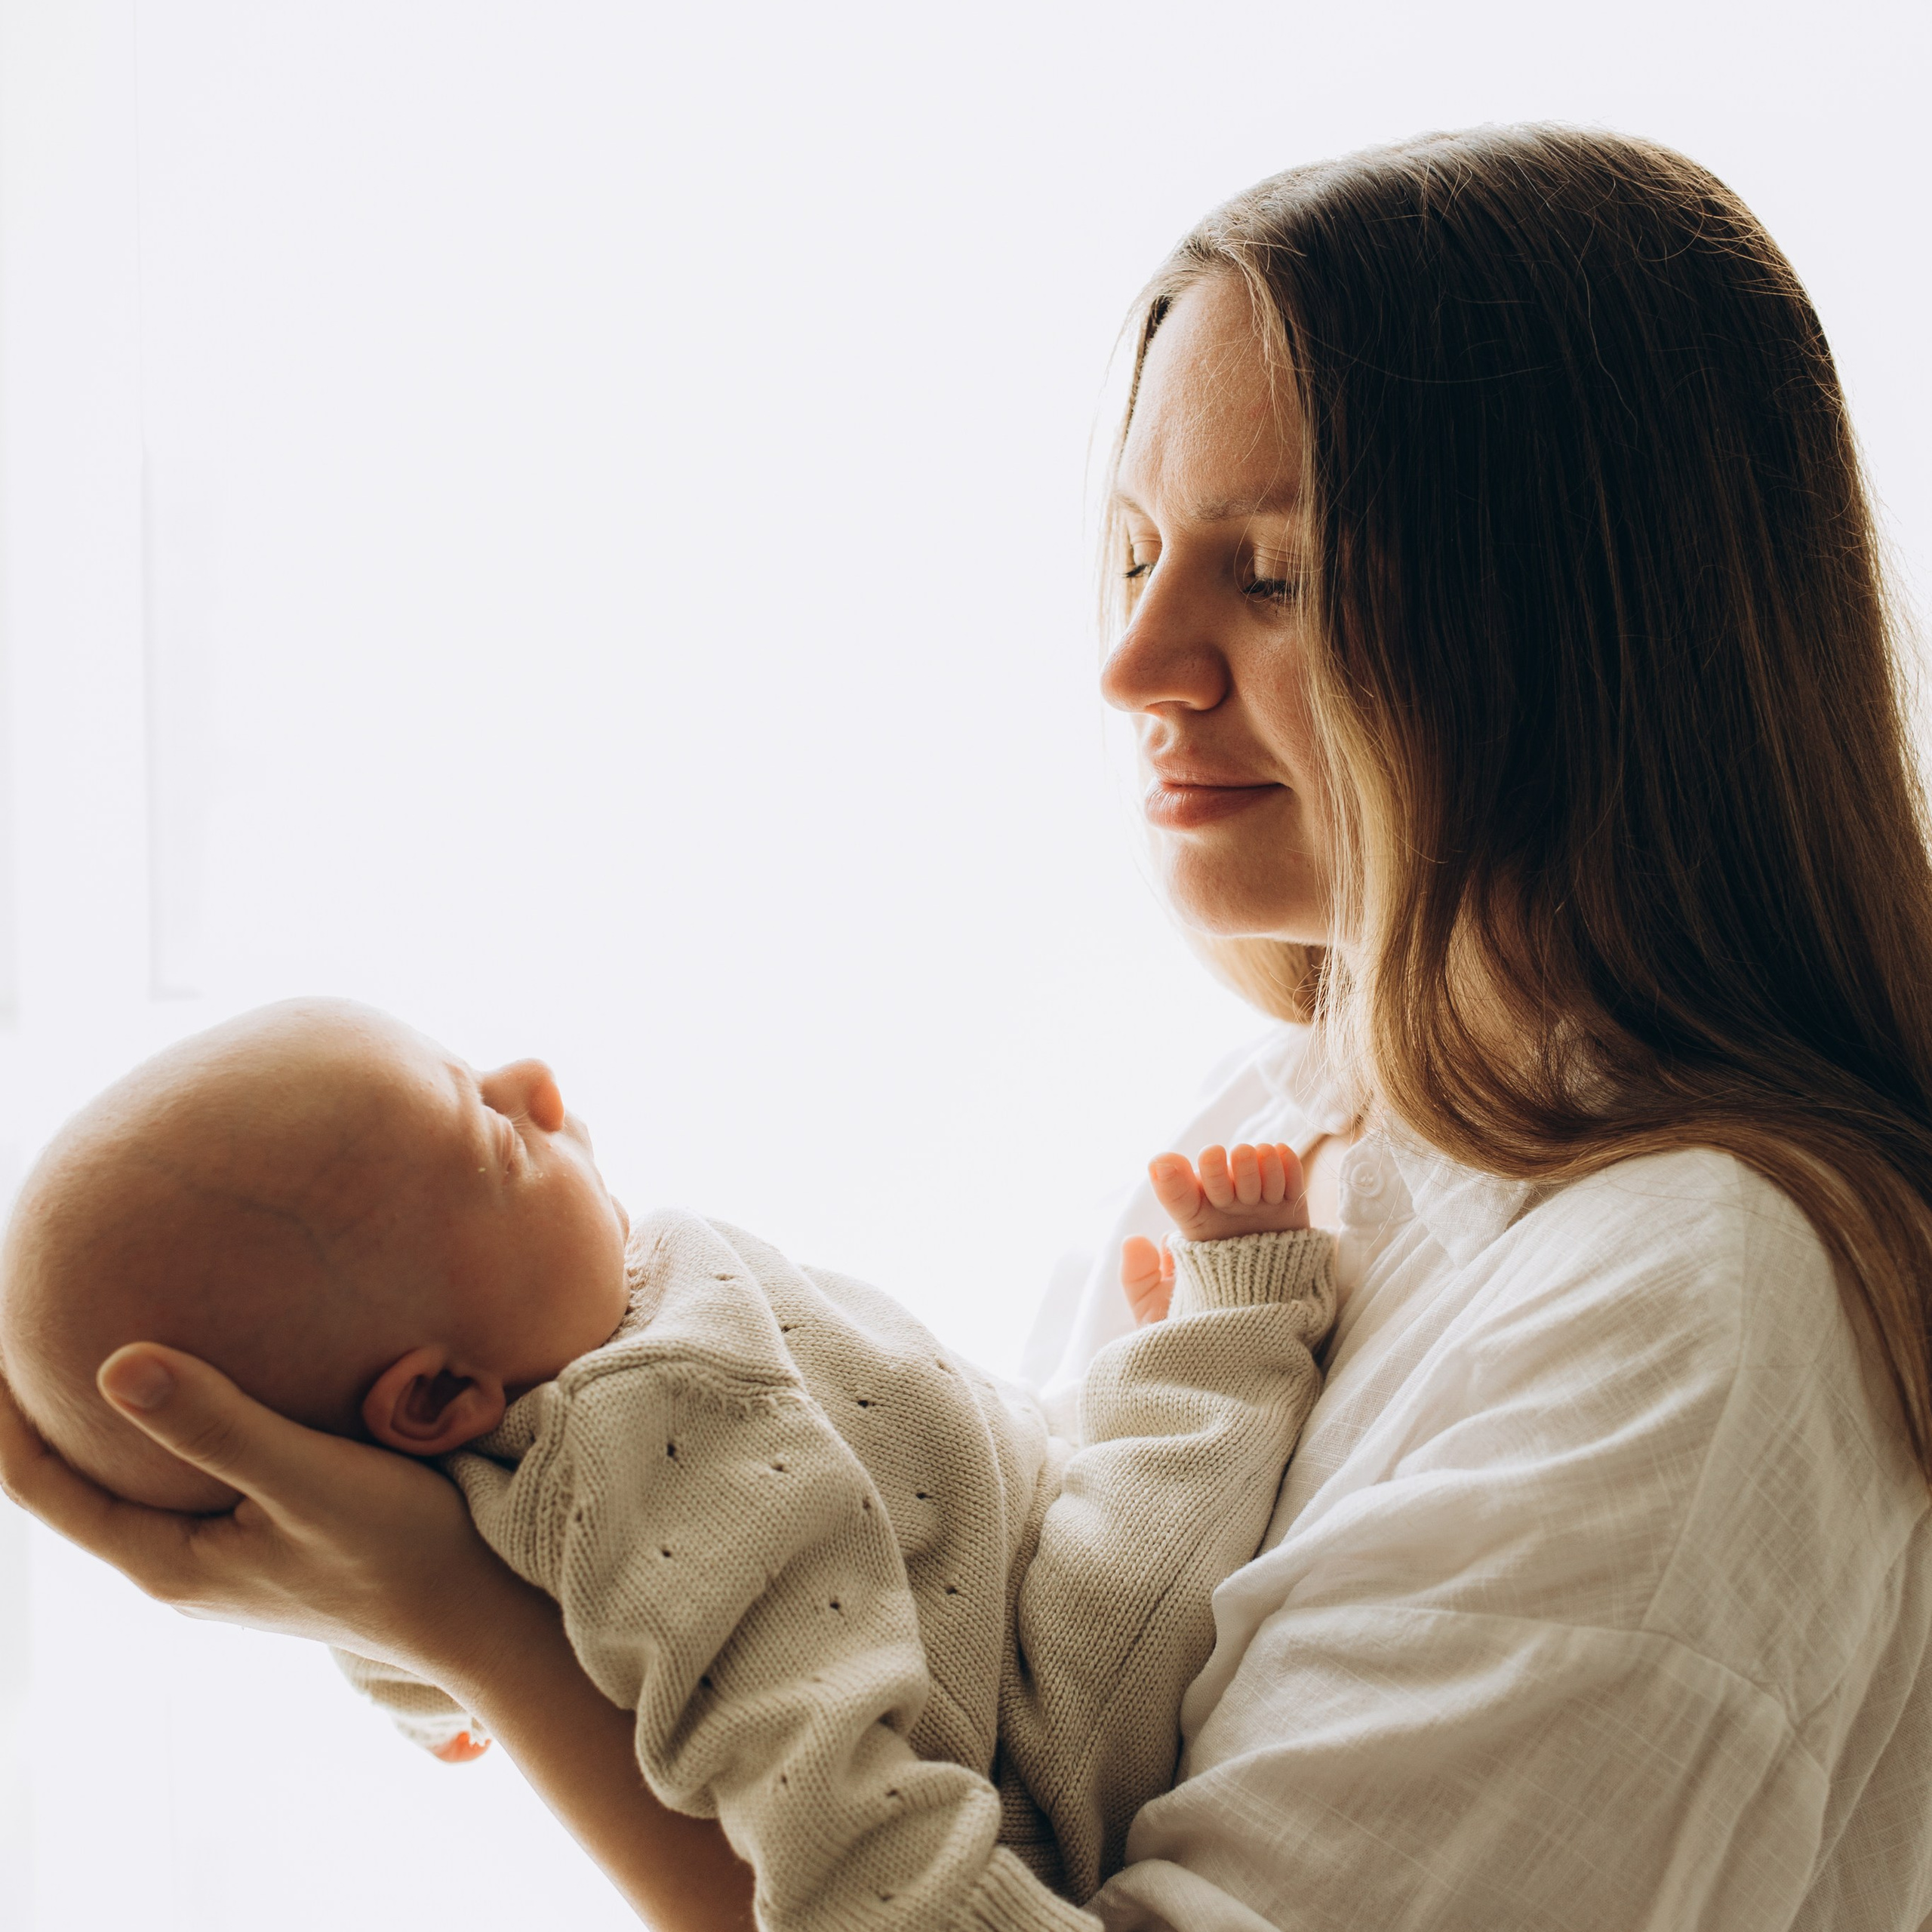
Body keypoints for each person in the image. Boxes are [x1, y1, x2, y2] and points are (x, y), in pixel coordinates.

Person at [5, 119, 1932, 1928]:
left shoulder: (1689, 1303)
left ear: (1582, 632)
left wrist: (489, 1630)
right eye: (1129, 550)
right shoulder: (1312, 1110)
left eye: (1270, 573)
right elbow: (1025, 1712)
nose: (1129, 661)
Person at [0, 997, 1333, 1929]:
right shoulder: (648, 1436)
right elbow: (824, 1816)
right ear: (438, 1396)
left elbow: (447, 1675)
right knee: (1143, 1531)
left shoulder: (496, 1488)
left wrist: (428, 1678)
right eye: (493, 1136)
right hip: (1048, 1699)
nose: (533, 1083)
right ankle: (1242, 1327)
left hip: (979, 1552)